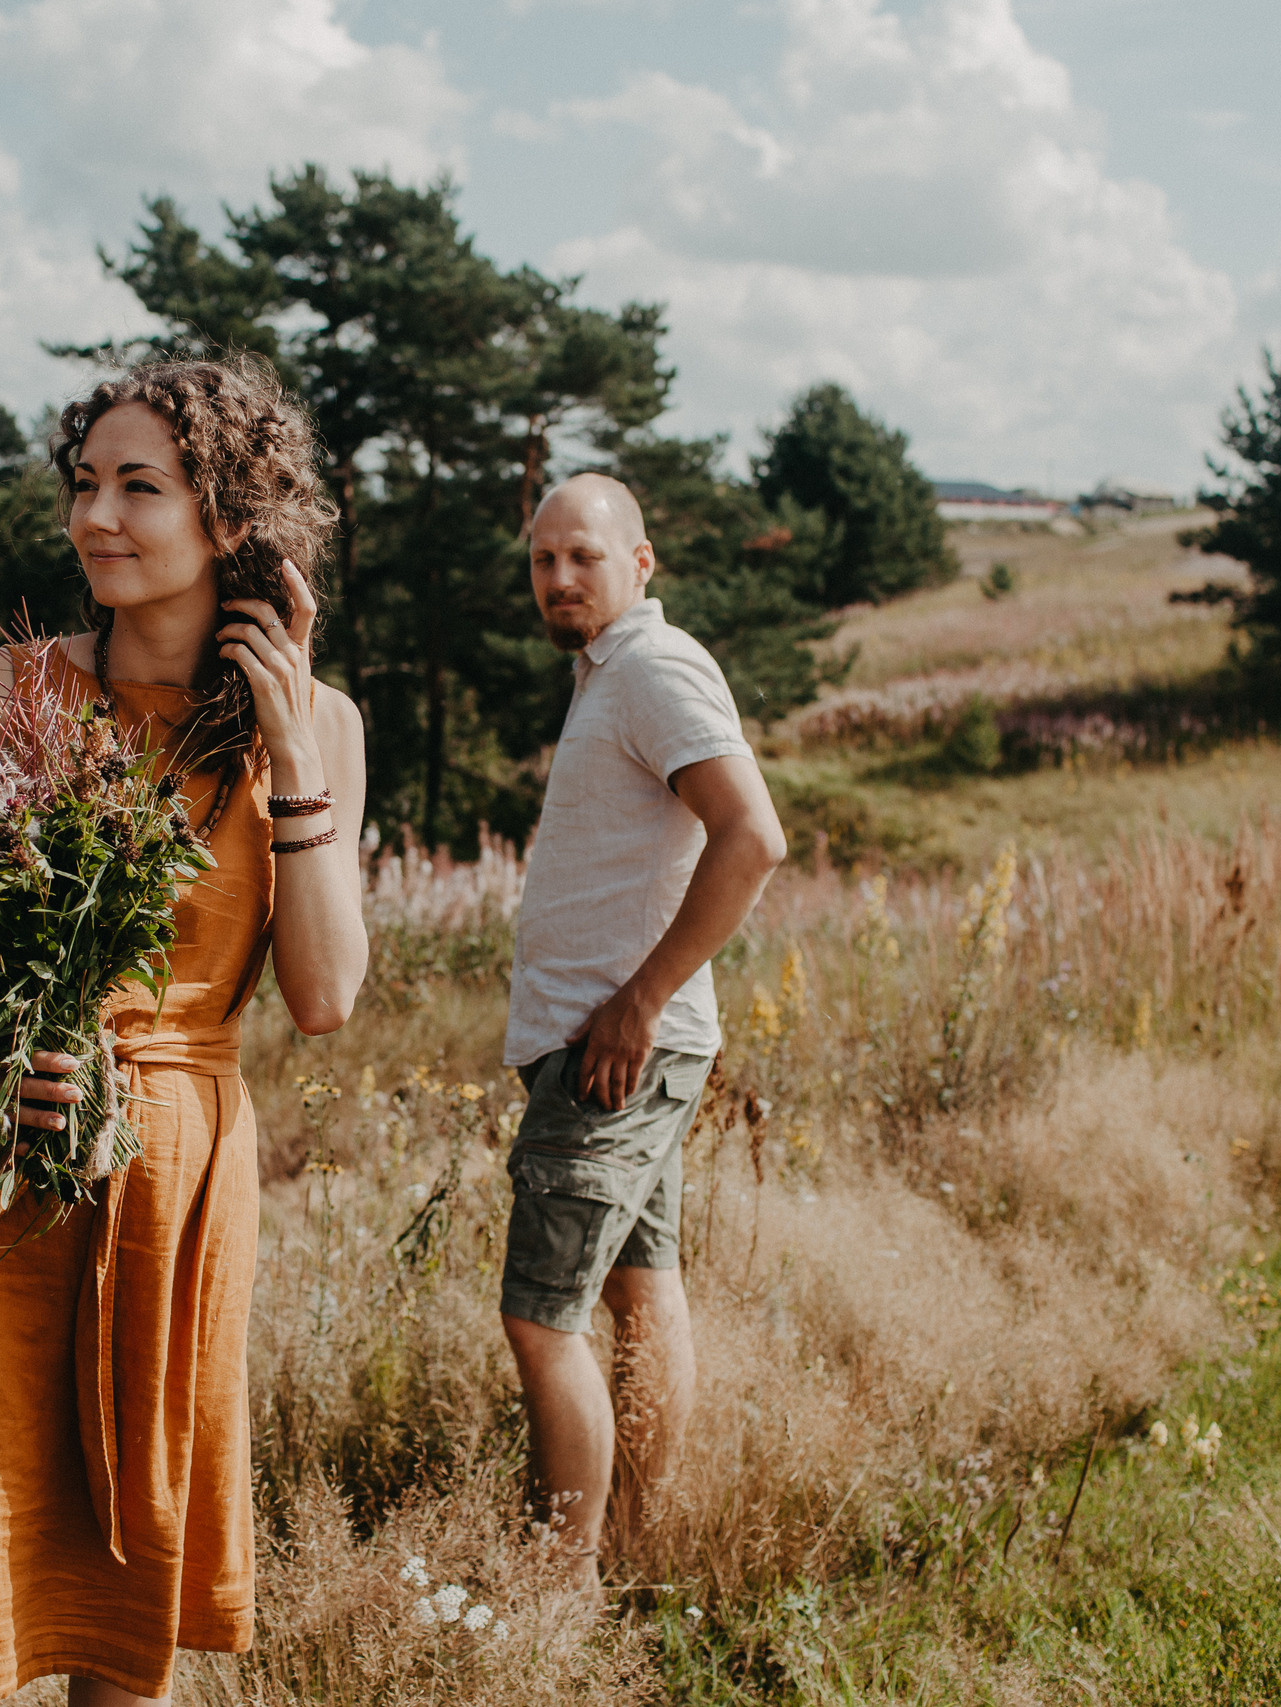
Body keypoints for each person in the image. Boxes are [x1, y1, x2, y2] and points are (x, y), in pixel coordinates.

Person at [0, 356, 370, 1706]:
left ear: (232, 517)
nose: (98, 517)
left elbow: (323, 995)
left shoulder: (324, 727)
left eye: (143, 486)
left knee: (127, 1596)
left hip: (175, 1174)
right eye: (86, 484)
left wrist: (295, 767)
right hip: (0, 1169)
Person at [499, 473, 787, 1592]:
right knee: (638, 1290)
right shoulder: (606, 678)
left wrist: (638, 999)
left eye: (583, 555)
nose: (560, 578)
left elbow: (751, 838)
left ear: (641, 562)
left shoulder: (654, 667)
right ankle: (638, 1554)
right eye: (542, 561)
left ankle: (558, 1594)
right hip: (619, 1045)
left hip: (614, 1050)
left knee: (540, 1319)